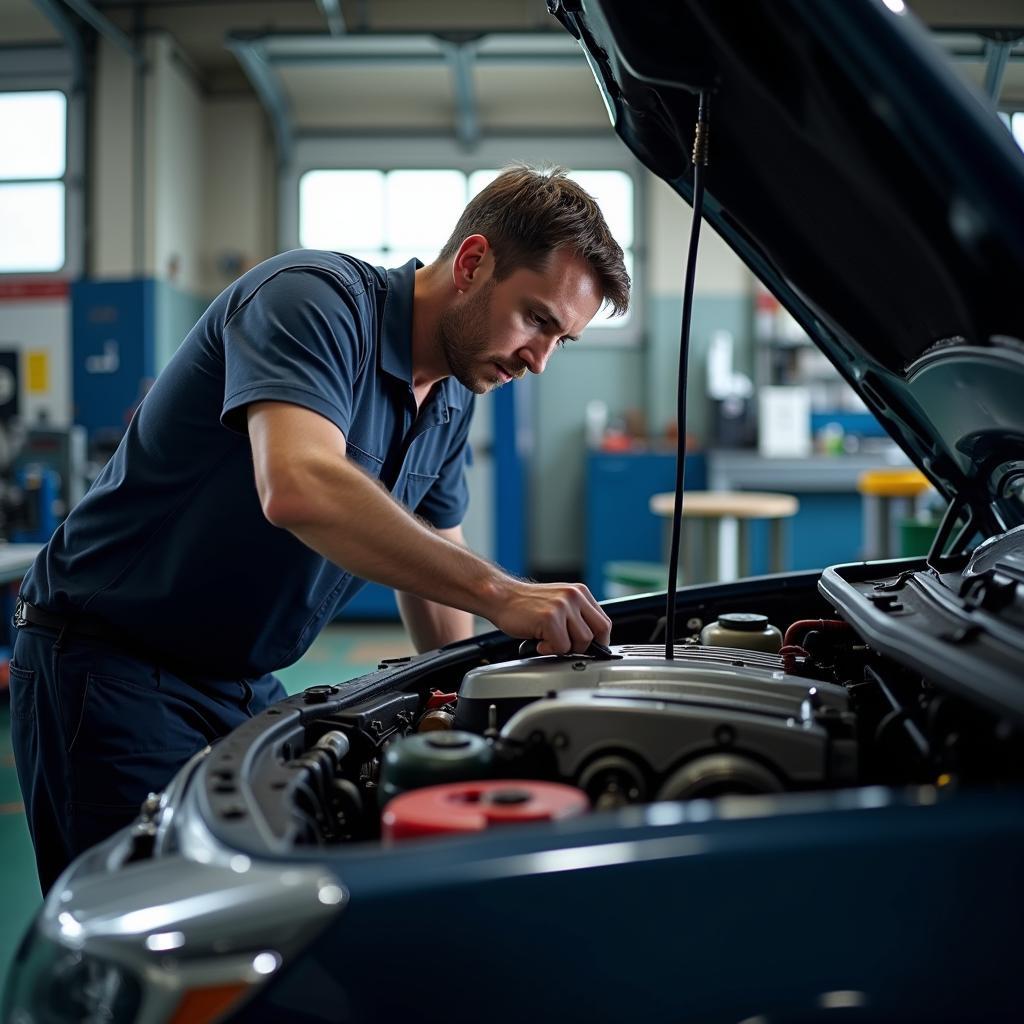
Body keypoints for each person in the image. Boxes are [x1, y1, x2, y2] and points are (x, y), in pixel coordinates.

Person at [9, 164, 630, 892]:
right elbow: (298, 484)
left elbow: (437, 582)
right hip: (108, 666)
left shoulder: (455, 398)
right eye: (537, 320)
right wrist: (503, 593)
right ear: (472, 263)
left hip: (241, 683)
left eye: (563, 341)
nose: (540, 360)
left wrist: (469, 712)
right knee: (148, 935)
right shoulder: (314, 301)